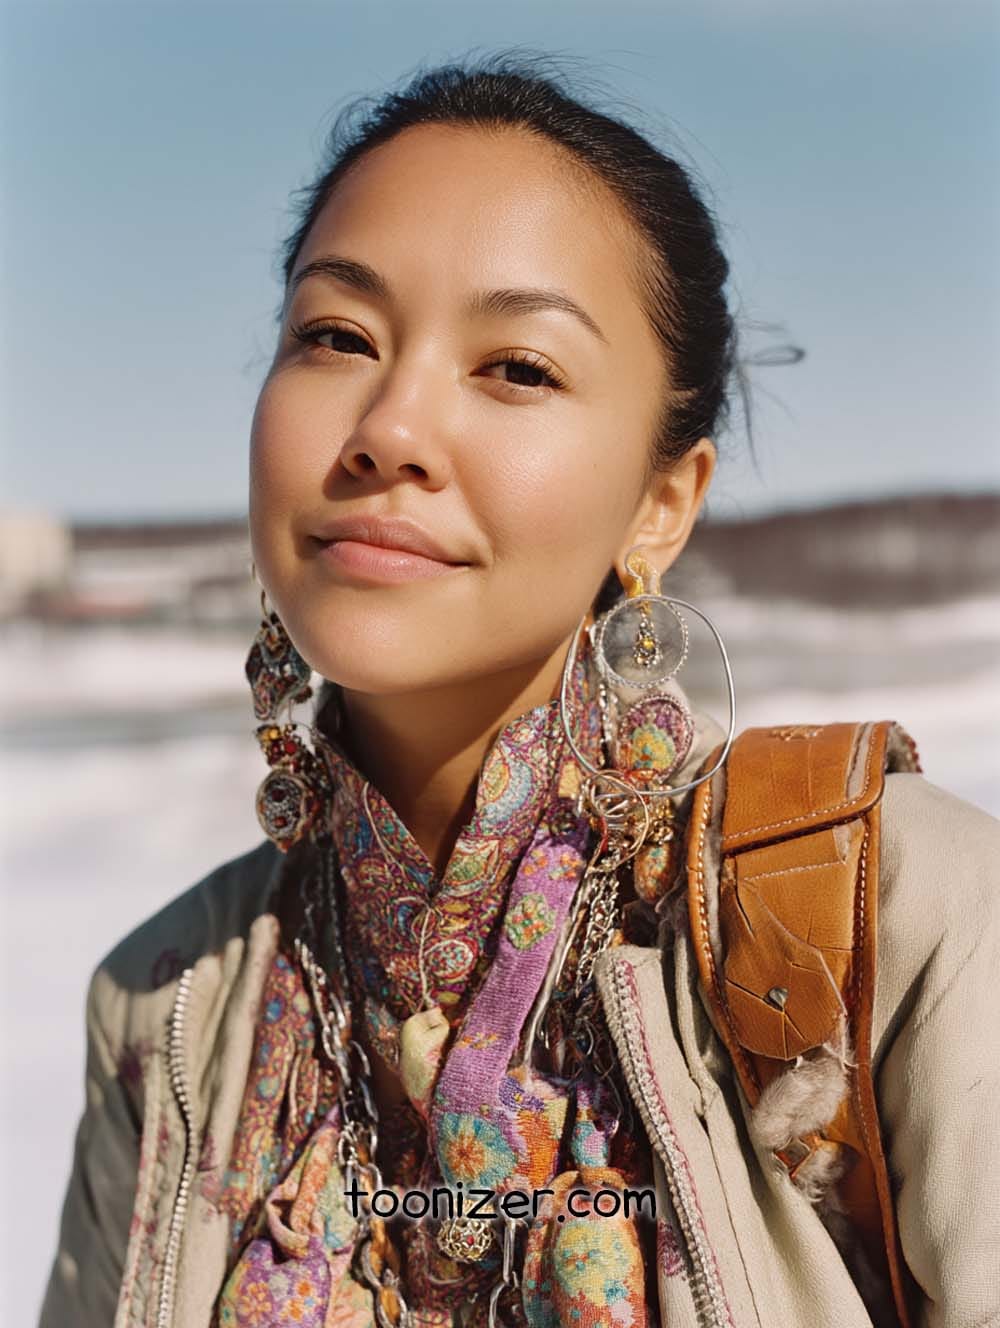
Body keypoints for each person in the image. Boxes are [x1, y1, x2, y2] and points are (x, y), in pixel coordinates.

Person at [40, 52, 999, 1328]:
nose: (388, 426)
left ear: (662, 502)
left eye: (517, 368)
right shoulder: (166, 1000)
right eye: (336, 335)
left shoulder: (886, 909)